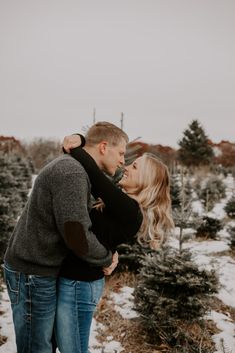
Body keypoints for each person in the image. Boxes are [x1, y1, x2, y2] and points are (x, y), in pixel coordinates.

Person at [3, 121, 129, 353]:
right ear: (103, 147)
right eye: (121, 153)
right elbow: (76, 236)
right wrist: (106, 257)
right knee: (37, 347)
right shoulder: (72, 173)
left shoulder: (75, 168)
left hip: (41, 269)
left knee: (45, 345)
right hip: (33, 272)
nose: (123, 160)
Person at [54, 131, 174, 353]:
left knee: (72, 349)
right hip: (74, 281)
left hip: (79, 284)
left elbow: (93, 173)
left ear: (147, 181)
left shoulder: (130, 209)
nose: (126, 166)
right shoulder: (124, 205)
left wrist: (78, 143)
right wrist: (81, 139)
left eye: (135, 167)